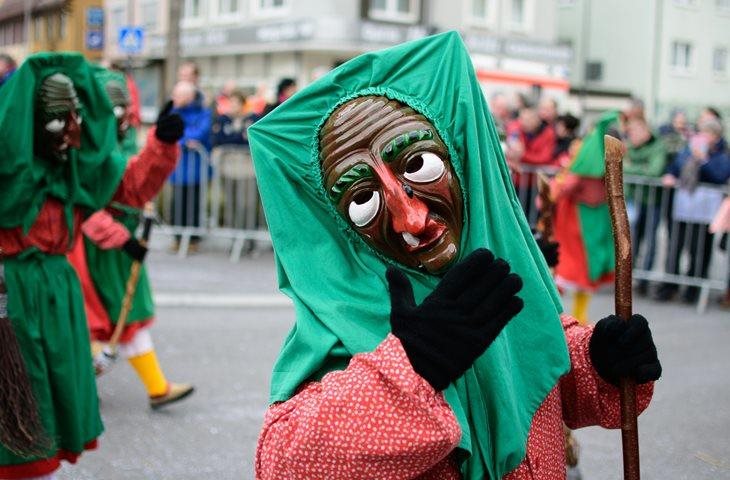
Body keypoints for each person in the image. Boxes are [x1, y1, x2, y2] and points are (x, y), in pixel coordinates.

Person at [248, 32, 660, 480]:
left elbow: (539, 363)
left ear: (460, 162)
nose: (411, 219)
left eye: (418, 165)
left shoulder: (486, 278)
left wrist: (598, 360)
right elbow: (284, 465)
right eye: (363, 198)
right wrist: (413, 366)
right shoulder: (342, 329)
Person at [0, 53, 182, 479]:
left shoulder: (72, 168)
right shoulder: (9, 164)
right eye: (55, 120)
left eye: (74, 118)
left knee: (52, 397)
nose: (69, 132)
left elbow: (127, 187)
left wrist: (161, 145)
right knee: (22, 402)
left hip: (55, 292)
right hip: (12, 294)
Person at [66, 68, 194, 409]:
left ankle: (156, 386)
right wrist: (118, 237)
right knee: (79, 320)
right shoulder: (68, 147)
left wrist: (162, 144)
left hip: (112, 249)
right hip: (78, 252)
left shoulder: (109, 146)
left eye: (124, 112)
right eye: (113, 112)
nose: (120, 119)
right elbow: (72, 204)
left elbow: (134, 185)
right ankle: (72, 387)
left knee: (128, 316)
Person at [551, 111, 620, 325]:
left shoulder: (588, 162)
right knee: (582, 271)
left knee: (570, 266)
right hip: (593, 219)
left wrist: (552, 191)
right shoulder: (603, 162)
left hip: (578, 220)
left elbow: (564, 188)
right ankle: (577, 316)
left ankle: (564, 315)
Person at [656, 118, 730, 303]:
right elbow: (675, 167)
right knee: (675, 247)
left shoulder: (721, 155)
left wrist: (703, 160)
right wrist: (670, 174)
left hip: (705, 212)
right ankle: (670, 286)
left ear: (715, 136)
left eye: (706, 132)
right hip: (684, 209)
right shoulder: (687, 150)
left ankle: (693, 289)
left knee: (699, 251)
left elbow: (720, 175)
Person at [623, 117, 668, 295]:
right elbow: (623, 165)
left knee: (650, 240)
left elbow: (654, 171)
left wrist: (632, 167)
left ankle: (644, 279)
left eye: (633, 132)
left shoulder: (658, 147)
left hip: (651, 201)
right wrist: (638, 167)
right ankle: (627, 277)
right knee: (631, 240)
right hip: (634, 198)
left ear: (645, 132)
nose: (631, 136)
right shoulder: (631, 147)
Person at [168, 80, 213, 252]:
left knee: (194, 203)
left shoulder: (203, 111)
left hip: (196, 168)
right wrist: (186, 140)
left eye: (178, 95)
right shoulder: (172, 111)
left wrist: (182, 138)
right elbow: (169, 131)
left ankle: (193, 239)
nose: (174, 98)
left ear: (188, 96)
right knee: (177, 202)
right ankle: (178, 238)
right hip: (178, 167)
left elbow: (201, 133)